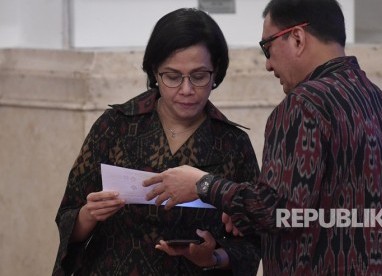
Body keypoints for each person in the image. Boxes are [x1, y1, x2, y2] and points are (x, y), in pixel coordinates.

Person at [144, 0, 382, 275]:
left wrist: (203, 184)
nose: (268, 65)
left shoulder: (305, 104)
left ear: (297, 38)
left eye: (267, 47)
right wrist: (244, 211)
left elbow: (279, 210)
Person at [53, 8, 261, 276]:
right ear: (154, 71)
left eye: (199, 76)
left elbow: (253, 241)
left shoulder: (233, 143)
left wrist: (214, 257)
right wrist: (89, 215)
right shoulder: (115, 126)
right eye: (173, 77)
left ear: (216, 71)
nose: (186, 90)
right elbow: (68, 218)